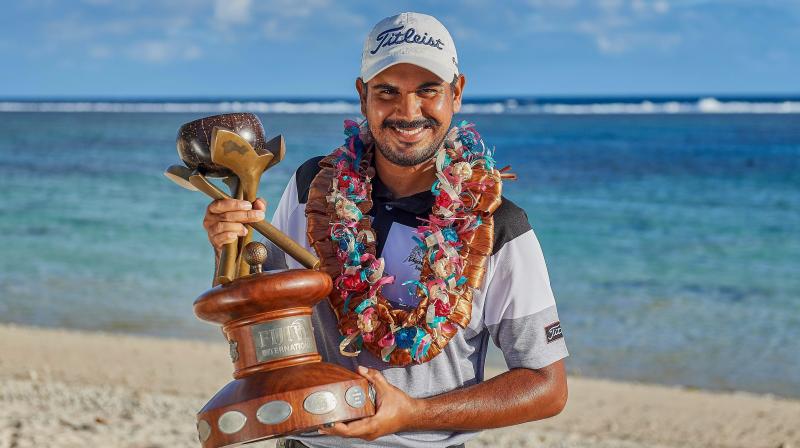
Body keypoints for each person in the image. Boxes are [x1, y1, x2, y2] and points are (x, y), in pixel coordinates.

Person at [202, 12, 568, 448]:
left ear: (457, 93)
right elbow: (264, 305)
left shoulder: (498, 224)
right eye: (387, 92)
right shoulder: (313, 188)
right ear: (363, 97)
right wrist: (230, 244)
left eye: (427, 91)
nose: (407, 112)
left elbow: (547, 385)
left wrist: (414, 414)